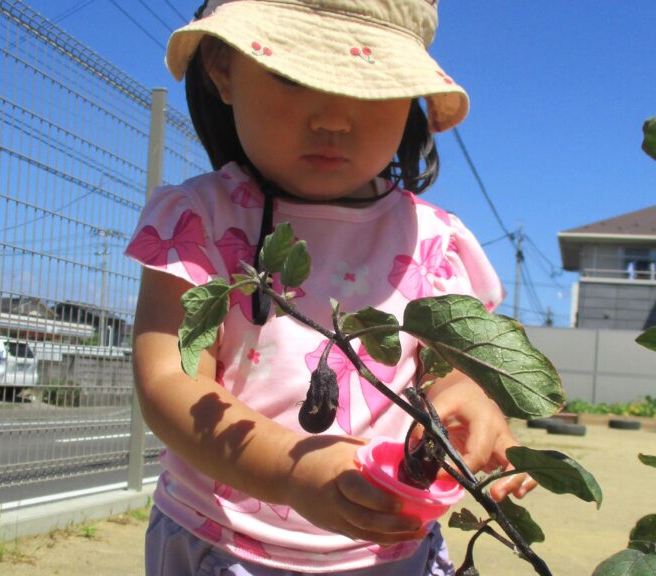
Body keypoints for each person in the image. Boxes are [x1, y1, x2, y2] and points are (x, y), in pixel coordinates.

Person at [126, 1, 536, 574]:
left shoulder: (433, 241)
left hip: (392, 550)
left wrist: (469, 396)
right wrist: (289, 467)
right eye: (295, 76)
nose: (335, 118)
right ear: (222, 68)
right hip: (223, 542)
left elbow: (447, 369)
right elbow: (169, 380)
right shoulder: (200, 220)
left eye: (371, 85)